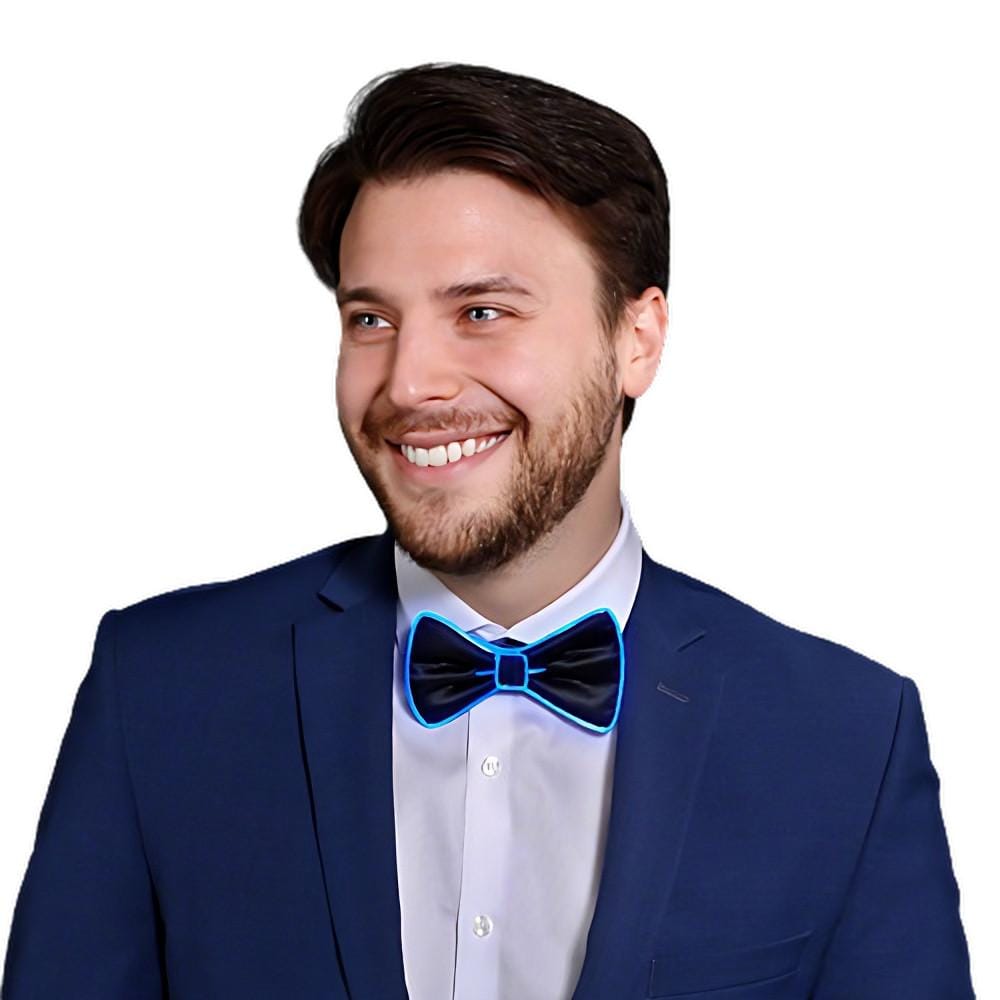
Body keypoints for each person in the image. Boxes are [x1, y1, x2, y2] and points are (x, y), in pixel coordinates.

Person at [1, 61, 975, 1000]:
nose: (409, 382)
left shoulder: (846, 737)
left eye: (480, 310)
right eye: (371, 320)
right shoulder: (159, 689)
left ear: (636, 339)